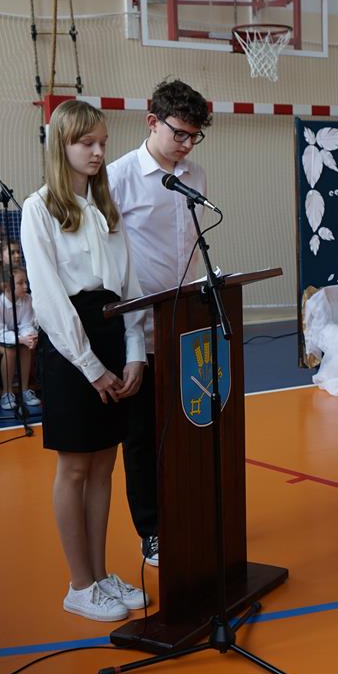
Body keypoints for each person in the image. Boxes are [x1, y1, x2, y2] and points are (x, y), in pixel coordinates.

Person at [20, 99, 149, 622]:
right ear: (62, 145)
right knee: (75, 467)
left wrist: (135, 354)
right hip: (72, 346)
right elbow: (51, 300)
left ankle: (100, 575)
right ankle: (79, 583)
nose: (98, 152)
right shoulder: (39, 209)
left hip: (113, 332)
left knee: (104, 464)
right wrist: (92, 367)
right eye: (86, 143)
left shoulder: (106, 208)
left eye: (102, 143)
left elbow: (129, 287)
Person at [107, 78, 212, 567]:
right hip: (138, 326)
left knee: (189, 424)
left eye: (195, 136)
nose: (187, 144)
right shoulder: (118, 177)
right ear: (152, 122)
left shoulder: (195, 175)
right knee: (142, 436)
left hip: (185, 321)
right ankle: (150, 529)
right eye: (180, 134)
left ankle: (188, 511)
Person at [0, 267, 40, 410]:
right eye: (20, 283)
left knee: (25, 348)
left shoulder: (27, 299)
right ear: (5, 287)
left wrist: (29, 337)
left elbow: (26, 324)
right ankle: (6, 393)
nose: (25, 286)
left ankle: (25, 390)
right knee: (10, 351)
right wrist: (21, 339)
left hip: (14, 335)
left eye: (26, 282)